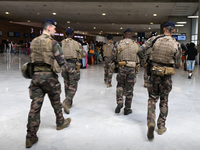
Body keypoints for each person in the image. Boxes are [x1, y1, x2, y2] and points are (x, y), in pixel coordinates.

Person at [25, 19, 71, 148]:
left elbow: (31, 60)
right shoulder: (53, 43)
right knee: (56, 102)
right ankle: (60, 122)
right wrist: (71, 71)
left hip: (35, 78)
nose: (55, 31)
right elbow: (62, 62)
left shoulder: (33, 42)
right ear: (49, 28)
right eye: (54, 29)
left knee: (34, 108)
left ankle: (30, 137)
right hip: (49, 78)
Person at [139, 21, 182, 140]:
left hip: (154, 74)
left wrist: (145, 62)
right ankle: (161, 127)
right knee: (164, 100)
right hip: (166, 77)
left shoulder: (153, 39)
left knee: (152, 99)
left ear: (163, 29)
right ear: (173, 30)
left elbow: (139, 50)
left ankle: (151, 122)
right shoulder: (176, 44)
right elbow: (178, 65)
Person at [109, 28, 144, 115]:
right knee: (129, 89)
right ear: (131, 35)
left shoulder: (118, 44)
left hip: (121, 67)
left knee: (120, 85)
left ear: (124, 35)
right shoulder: (136, 45)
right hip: (132, 69)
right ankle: (127, 109)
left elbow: (112, 56)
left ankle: (120, 101)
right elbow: (142, 57)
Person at [61, 28, 85, 113]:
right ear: (72, 34)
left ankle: (69, 103)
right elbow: (84, 54)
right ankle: (66, 101)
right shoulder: (76, 44)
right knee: (73, 85)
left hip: (63, 65)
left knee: (66, 84)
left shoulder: (61, 43)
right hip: (72, 65)